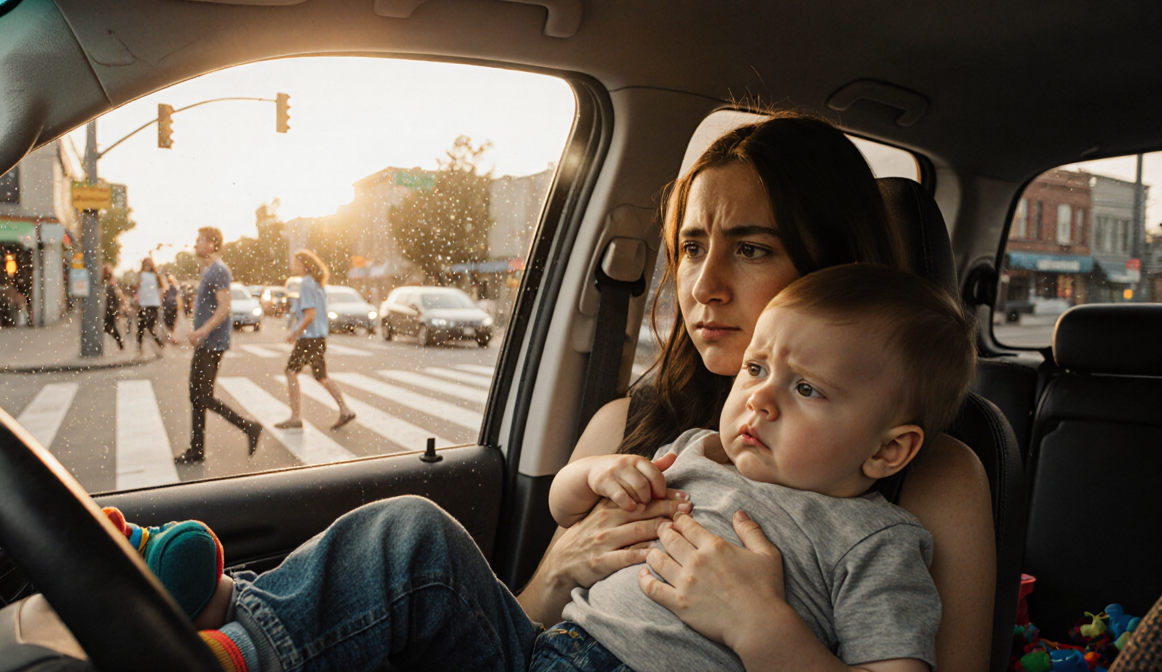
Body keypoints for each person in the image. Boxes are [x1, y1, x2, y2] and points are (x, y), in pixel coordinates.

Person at [139, 263, 970, 672]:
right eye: (756, 369)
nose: (760, 400)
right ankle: (236, 631)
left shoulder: (877, 542)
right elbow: (568, 509)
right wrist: (596, 476)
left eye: (808, 389)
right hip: (542, 653)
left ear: (887, 449)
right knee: (412, 532)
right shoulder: (694, 450)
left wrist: (761, 626)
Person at [516, 113, 997, 672]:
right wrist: (561, 569)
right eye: (692, 247)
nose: (703, 286)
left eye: (750, 249)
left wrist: (761, 626)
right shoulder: (628, 426)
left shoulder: (933, 480)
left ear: (834, 271)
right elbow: (521, 628)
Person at [175, 227, 263, 464]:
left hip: (212, 343)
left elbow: (225, 306)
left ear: (212, 244)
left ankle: (249, 427)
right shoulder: (210, 270)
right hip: (207, 342)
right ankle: (197, 450)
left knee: (203, 397)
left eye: (199, 240)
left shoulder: (219, 270)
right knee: (197, 396)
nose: (195, 244)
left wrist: (202, 331)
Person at [274, 250, 355, 431]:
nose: (293, 266)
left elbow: (310, 314)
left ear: (304, 265)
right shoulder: (317, 284)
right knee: (321, 376)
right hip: (318, 337)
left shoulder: (306, 283)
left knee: (291, 372)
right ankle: (345, 409)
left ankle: (296, 417)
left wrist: (295, 333)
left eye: (296, 262)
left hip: (309, 338)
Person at [134, 257, 166, 357]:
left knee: (149, 326)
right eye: (146, 265)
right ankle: (141, 348)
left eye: (149, 265)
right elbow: (137, 289)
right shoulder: (141, 276)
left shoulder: (155, 276)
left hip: (152, 304)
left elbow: (161, 289)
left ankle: (159, 344)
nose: (147, 267)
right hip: (143, 304)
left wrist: (160, 301)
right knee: (141, 327)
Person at [102, 265, 125, 350]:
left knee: (110, 326)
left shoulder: (110, 281)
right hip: (109, 307)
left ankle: (120, 342)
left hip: (110, 307)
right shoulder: (106, 281)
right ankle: (119, 342)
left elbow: (115, 294)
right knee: (109, 326)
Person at [163, 273, 183, 345]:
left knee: (168, 323)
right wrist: (179, 306)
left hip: (167, 306)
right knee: (172, 323)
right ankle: (173, 337)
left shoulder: (165, 287)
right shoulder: (174, 287)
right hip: (174, 306)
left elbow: (163, 296)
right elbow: (178, 296)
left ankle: (172, 337)